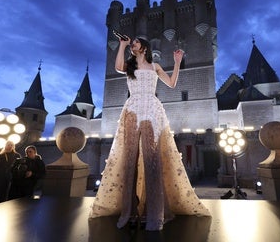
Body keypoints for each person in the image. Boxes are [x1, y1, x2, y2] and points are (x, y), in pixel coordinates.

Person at [89, 36, 210, 230]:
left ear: (144, 47)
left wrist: (177, 63)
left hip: (152, 110)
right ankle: (129, 211)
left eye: (135, 42)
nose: (133, 45)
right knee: (130, 158)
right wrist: (122, 45)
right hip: (132, 109)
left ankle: (155, 213)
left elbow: (171, 83)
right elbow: (117, 65)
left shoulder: (155, 67)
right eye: (132, 43)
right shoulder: (128, 66)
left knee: (152, 158)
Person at [0, 140, 21, 205]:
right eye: (8, 145)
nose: (9, 146)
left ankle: (3, 204)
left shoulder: (17, 155)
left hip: (9, 176)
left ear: (13, 146)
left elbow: (18, 167)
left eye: (11, 145)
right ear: (5, 146)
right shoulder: (0, 155)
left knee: (5, 192)